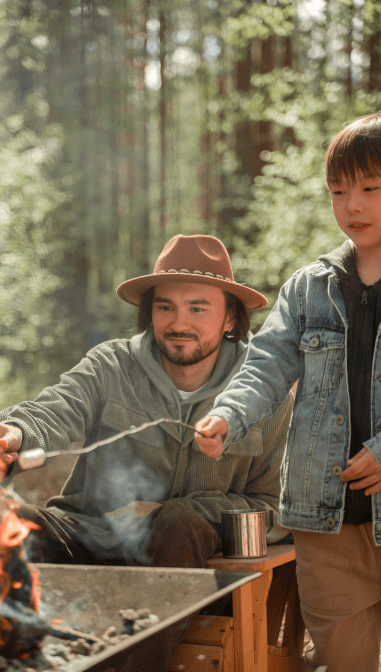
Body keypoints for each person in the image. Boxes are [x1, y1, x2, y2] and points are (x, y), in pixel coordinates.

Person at [0, 233, 293, 672]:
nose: (179, 322)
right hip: (90, 539)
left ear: (229, 319)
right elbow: (58, 408)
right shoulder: (110, 366)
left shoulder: (263, 392)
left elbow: (276, 506)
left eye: (197, 307)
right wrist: (14, 433)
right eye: (166, 307)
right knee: (5, 520)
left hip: (195, 571)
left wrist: (176, 510)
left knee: (180, 522)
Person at [195, 112, 381, 672]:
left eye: (371, 188)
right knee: (345, 659)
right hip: (325, 524)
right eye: (338, 191)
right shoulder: (308, 286)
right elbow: (267, 364)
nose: (353, 205)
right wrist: (228, 413)